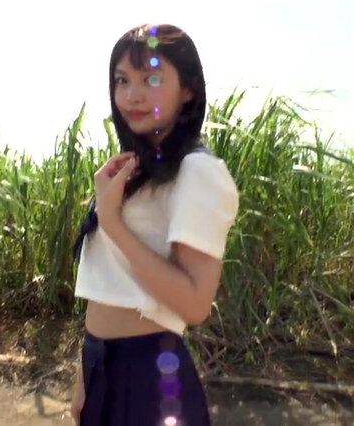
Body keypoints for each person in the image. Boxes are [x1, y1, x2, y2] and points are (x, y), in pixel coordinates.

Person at [70, 23, 240, 426]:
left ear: (188, 89)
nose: (132, 95)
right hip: (102, 365)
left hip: (149, 376)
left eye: (152, 78)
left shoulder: (197, 170)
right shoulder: (136, 169)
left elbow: (195, 304)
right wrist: (84, 376)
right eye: (122, 80)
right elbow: (110, 283)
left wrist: (112, 223)